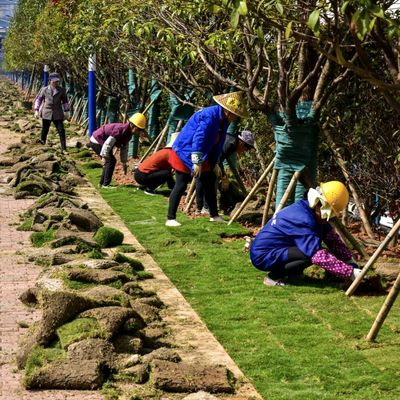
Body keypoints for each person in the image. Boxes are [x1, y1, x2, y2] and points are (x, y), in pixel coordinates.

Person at [250, 181, 362, 286]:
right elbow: (316, 255)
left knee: (313, 251)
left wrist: (349, 260)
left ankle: (293, 274)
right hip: (263, 255)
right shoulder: (303, 219)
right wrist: (349, 273)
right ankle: (272, 278)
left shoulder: (309, 209)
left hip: (278, 248)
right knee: (309, 254)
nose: (328, 218)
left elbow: (331, 239)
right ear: (319, 204)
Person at [166, 91, 248, 227]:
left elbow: (218, 143)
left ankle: (214, 215)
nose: (235, 117)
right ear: (228, 111)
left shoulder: (224, 121)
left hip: (204, 154)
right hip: (185, 150)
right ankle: (170, 218)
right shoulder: (209, 116)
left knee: (209, 180)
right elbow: (199, 137)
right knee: (181, 183)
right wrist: (197, 160)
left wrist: (214, 162)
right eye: (234, 114)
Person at [195, 130, 255, 215]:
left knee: (203, 179)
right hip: (205, 156)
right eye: (247, 148)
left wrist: (223, 175)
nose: (246, 151)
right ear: (242, 143)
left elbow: (220, 159)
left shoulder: (232, 142)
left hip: (206, 156)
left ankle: (200, 208)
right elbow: (217, 158)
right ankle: (205, 207)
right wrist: (222, 175)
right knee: (209, 180)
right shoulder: (230, 144)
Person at [88, 113, 147, 188]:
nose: (138, 132)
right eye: (138, 129)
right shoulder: (120, 130)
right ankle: (105, 185)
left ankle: (102, 183)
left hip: (102, 142)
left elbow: (124, 148)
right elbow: (108, 143)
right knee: (110, 161)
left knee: (109, 161)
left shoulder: (128, 133)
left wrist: (124, 163)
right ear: (132, 125)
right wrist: (104, 155)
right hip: (97, 140)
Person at [34, 72, 70, 151]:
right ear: (50, 80)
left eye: (57, 81)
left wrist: (67, 111)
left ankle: (64, 148)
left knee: (61, 130)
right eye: (54, 81)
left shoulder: (61, 90)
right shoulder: (44, 89)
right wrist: (36, 110)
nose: (55, 83)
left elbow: (65, 101)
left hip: (58, 112)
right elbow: (39, 100)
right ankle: (42, 144)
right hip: (47, 112)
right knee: (45, 129)